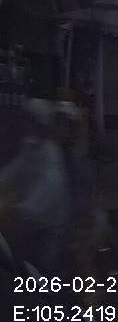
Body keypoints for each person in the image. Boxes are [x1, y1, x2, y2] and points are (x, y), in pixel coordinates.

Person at [0, 98, 71, 275]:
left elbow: (43, 196)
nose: (26, 125)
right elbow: (12, 172)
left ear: (40, 124)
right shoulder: (30, 147)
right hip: (25, 222)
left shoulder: (51, 154)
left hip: (48, 230)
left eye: (30, 120)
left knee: (39, 270)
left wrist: (15, 209)